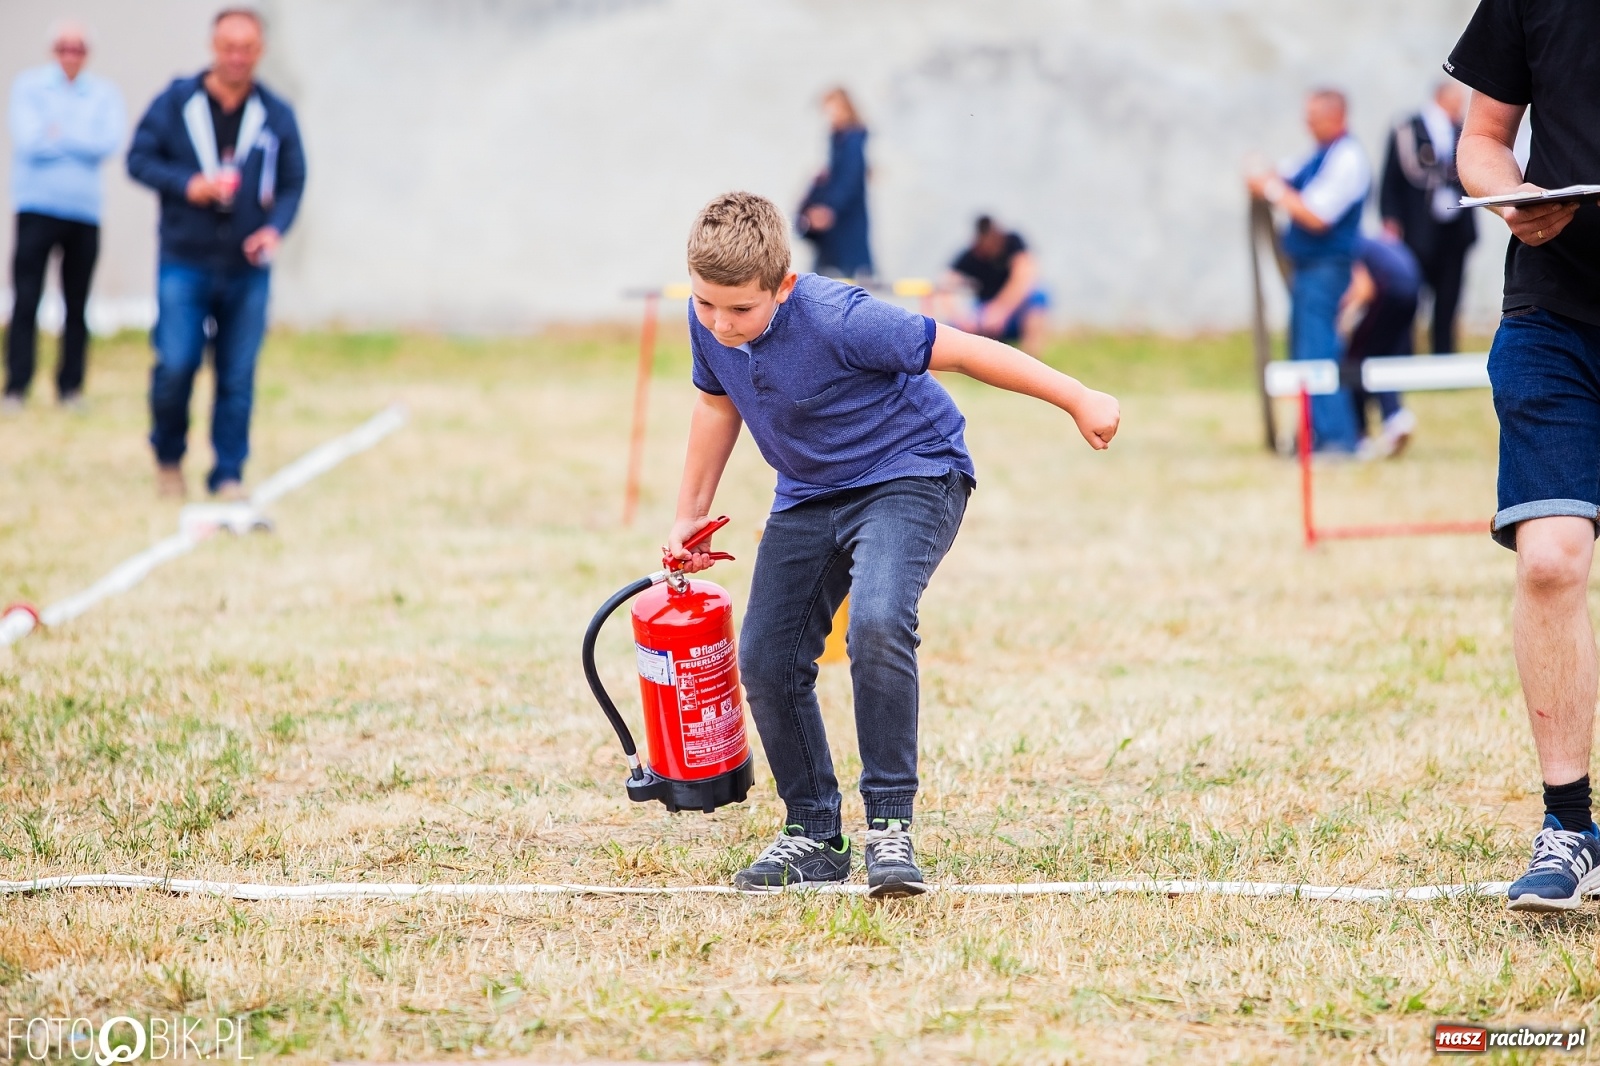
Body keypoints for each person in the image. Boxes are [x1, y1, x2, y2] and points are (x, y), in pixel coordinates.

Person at [667, 192, 1119, 896]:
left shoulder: (840, 318)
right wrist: (687, 515)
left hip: (911, 471)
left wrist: (1078, 396)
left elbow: (963, 351)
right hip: (809, 492)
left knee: (877, 620)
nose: (722, 325)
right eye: (706, 306)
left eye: (741, 310)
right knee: (764, 655)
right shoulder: (709, 323)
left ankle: (889, 828)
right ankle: (814, 833)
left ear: (784, 286)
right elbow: (715, 404)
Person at [1448, 0, 1600, 911]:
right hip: (1554, 316)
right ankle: (1568, 826)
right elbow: (1483, 135)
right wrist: (1509, 194)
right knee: (1549, 562)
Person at [126, 7, 305, 499]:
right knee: (176, 362)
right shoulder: (177, 101)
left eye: (247, 48)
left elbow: (292, 182)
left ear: (260, 51)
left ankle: (228, 472)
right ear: (213, 47)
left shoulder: (275, 113)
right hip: (185, 259)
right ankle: (168, 456)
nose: (237, 57)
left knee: (238, 374)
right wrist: (189, 185)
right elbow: (138, 159)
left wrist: (275, 229)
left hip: (247, 268)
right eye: (229, 47)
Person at [3, 20, 125, 414]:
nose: (70, 55)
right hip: (37, 206)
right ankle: (16, 387)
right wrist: (77, 137)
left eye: (78, 49)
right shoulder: (29, 86)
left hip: (84, 211)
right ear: (52, 51)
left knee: (77, 304)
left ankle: (70, 388)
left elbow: (108, 142)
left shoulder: (104, 93)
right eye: (63, 48)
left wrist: (59, 133)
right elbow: (30, 139)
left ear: (87, 54)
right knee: (26, 299)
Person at [1247, 89, 1371, 454]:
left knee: (1319, 353)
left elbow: (1316, 215)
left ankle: (1337, 439)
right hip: (1308, 270)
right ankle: (1314, 435)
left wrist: (1268, 188)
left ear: (1336, 116)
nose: (1308, 123)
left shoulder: (1348, 158)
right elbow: (1285, 177)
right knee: (1305, 352)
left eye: (1314, 115)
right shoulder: (1320, 155)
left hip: (1327, 269)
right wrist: (1264, 176)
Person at [1380, 80, 1478, 354]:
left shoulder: (1462, 131)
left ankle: (1444, 355)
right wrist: (1390, 219)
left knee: (1449, 299)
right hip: (1417, 229)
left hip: (1454, 230)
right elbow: (1391, 180)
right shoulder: (1408, 129)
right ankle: (1405, 354)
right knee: (1409, 294)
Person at [1341, 232, 1421, 458]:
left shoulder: (1347, 244)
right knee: (1384, 356)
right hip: (1413, 290)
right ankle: (1395, 418)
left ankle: (1360, 434)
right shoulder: (1371, 243)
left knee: (1355, 357)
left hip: (1390, 289)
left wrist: (1342, 319)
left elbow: (1364, 289)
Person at [796, 88, 872, 280]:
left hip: (846, 222)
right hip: (837, 224)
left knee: (845, 274)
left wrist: (829, 209)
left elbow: (849, 179)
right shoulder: (838, 140)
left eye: (835, 109)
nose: (831, 115)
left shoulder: (852, 140)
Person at [945, 216, 1049, 357]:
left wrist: (1001, 309)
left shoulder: (1013, 242)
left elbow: (1026, 275)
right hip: (984, 312)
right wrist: (961, 318)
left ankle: (1033, 358)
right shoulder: (972, 254)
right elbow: (946, 283)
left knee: (1038, 297)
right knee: (947, 328)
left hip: (1013, 310)